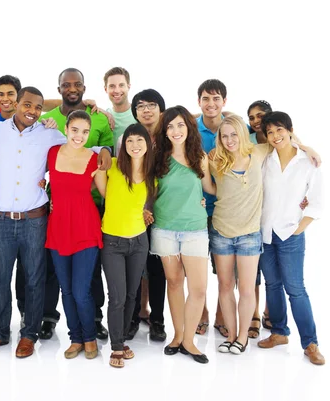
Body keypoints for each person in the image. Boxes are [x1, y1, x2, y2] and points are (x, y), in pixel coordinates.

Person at [0, 87, 111, 358]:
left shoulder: (49, 134)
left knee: (35, 279)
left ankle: (29, 335)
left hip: (36, 219)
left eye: (37, 107)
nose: (32, 111)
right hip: (1, 218)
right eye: (27, 105)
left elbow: (79, 145)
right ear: (15, 104)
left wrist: (104, 147)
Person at [35, 68, 114, 340]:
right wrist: (39, 186)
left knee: (89, 278)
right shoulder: (48, 120)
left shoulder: (100, 118)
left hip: (88, 210)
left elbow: (108, 151)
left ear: (84, 87)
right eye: (66, 84)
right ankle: (52, 319)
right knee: (58, 277)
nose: (72, 88)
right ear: (58, 89)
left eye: (77, 84)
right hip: (58, 215)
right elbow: (38, 159)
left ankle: (93, 321)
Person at [257, 111, 324, 365]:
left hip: (290, 234)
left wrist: (298, 229)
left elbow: (316, 203)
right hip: (265, 234)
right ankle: (279, 332)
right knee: (272, 285)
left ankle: (310, 343)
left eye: (279, 130)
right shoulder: (265, 159)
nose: (275, 136)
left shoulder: (308, 162)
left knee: (296, 289)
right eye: (270, 132)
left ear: (290, 130)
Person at [151, 106, 215, 364]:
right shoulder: (156, 158)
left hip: (195, 228)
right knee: (175, 283)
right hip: (165, 228)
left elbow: (209, 187)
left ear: (189, 127)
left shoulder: (200, 156)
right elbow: (148, 191)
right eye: (170, 126)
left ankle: (190, 340)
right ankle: (178, 337)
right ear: (164, 131)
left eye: (180, 125)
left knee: (198, 289)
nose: (175, 131)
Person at [46, 111, 106, 360]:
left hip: (85, 228)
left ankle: (90, 337)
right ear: (66, 129)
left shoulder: (95, 159)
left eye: (84, 131)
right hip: (58, 227)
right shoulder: (52, 153)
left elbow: (108, 196)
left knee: (81, 290)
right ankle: (76, 338)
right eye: (74, 130)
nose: (79, 136)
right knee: (66, 289)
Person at [208, 115, 266, 354]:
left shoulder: (259, 152)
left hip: (250, 234)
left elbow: (287, 140)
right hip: (221, 231)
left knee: (246, 287)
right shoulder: (215, 160)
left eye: (234, 134)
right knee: (224, 285)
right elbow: (211, 188)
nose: (229, 140)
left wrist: (308, 149)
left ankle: (242, 338)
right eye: (224, 136)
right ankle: (231, 335)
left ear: (243, 134)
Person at [101, 123, 155, 368]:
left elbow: (150, 203)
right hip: (112, 241)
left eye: (139, 140)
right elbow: (102, 194)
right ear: (123, 145)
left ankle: (121, 341)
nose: (135, 145)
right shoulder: (111, 166)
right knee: (118, 297)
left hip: (139, 241)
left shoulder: (152, 173)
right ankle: (116, 346)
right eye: (129, 141)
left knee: (132, 295)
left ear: (148, 144)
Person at [125, 89, 169, 342]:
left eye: (152, 105)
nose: (146, 110)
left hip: (160, 216)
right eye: (141, 106)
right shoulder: (130, 139)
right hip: (133, 216)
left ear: (160, 109)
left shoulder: (169, 138)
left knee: (156, 270)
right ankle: (131, 319)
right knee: (133, 270)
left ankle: (158, 321)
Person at [195, 79, 228, 338]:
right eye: (206, 99)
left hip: (226, 211)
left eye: (216, 99)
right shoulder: (190, 129)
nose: (211, 104)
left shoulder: (235, 128)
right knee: (197, 267)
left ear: (224, 102)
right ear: (199, 102)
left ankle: (220, 315)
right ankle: (202, 313)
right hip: (195, 210)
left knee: (224, 268)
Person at [246, 100, 273, 335]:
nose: (256, 121)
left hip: (274, 211)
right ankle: (253, 313)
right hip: (252, 211)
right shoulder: (248, 141)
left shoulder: (280, 141)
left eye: (260, 116)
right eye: (252, 117)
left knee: (272, 269)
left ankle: (269, 310)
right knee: (252, 269)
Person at [102, 67, 137, 153]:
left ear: (128, 87)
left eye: (121, 85)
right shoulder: (104, 116)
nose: (117, 90)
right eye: (112, 86)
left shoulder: (139, 114)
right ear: (106, 89)